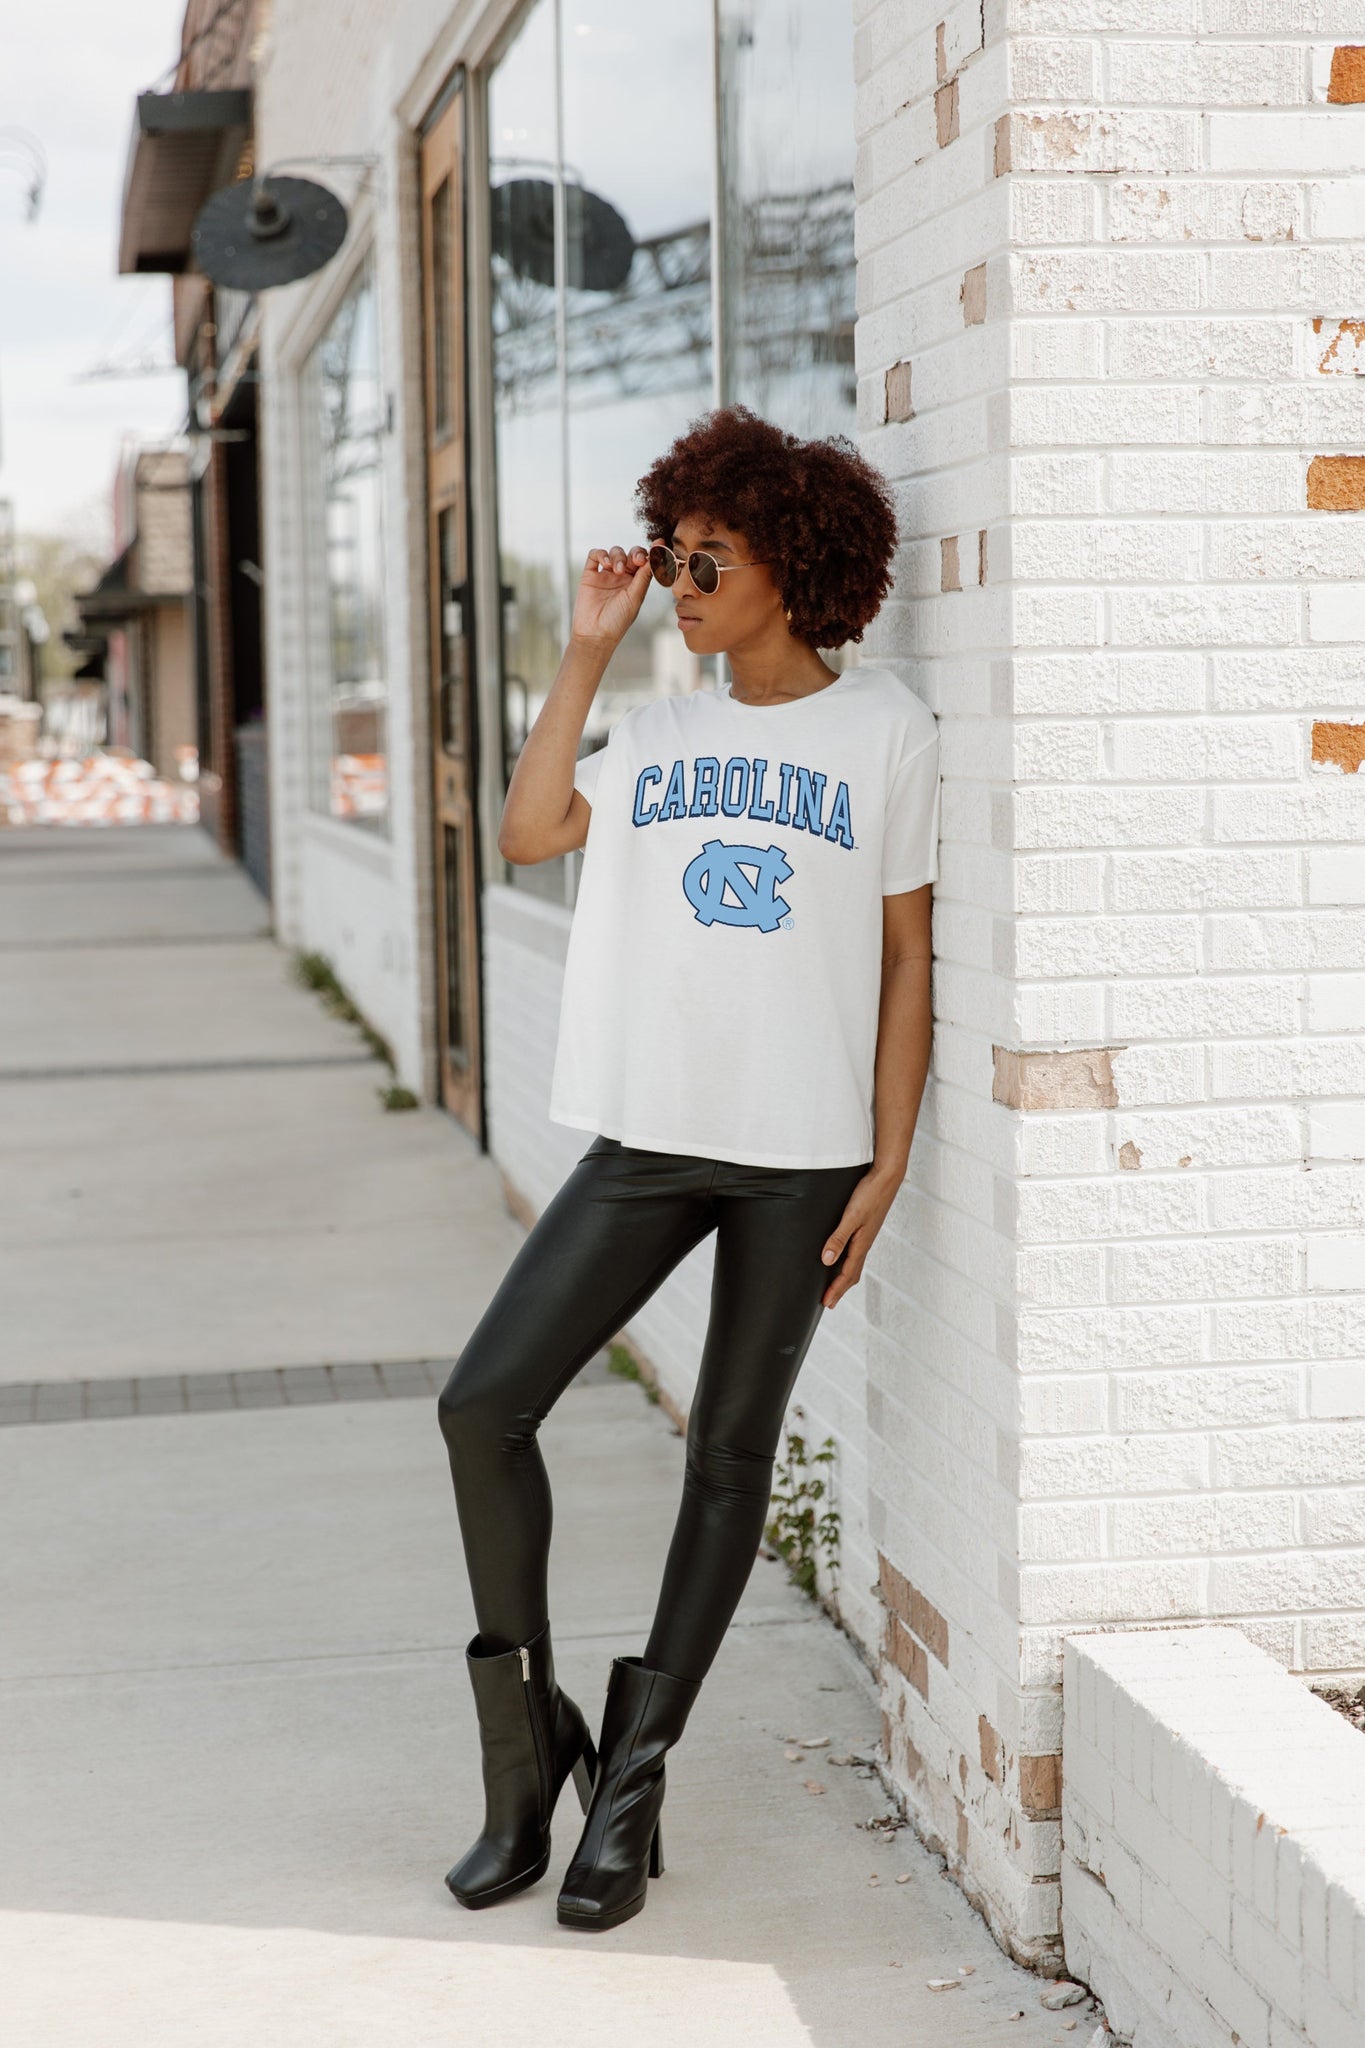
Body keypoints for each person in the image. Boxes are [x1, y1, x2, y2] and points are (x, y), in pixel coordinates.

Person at [437, 404, 940, 1933]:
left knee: (728, 1458)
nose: (680, 581)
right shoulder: (653, 733)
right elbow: (526, 832)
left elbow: (907, 959)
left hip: (802, 1158)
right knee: (480, 1405)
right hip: (648, 1139)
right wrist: (588, 649)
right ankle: (528, 1761)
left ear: (792, 562)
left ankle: (632, 1789)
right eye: (671, 555)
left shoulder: (886, 732)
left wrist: (889, 1159)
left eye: (706, 556)